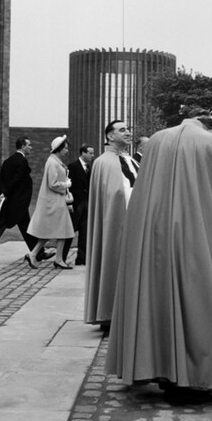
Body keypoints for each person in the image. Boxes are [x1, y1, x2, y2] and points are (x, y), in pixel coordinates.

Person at [104, 112, 212, 400]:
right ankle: (200, 375)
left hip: (156, 233)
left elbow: (141, 197)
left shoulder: (157, 142)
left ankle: (157, 367)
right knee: (203, 300)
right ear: (210, 127)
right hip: (201, 234)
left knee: (157, 298)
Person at [83, 119, 140, 328]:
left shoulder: (131, 161)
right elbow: (113, 195)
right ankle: (109, 313)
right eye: (122, 130)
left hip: (134, 224)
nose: (128, 133)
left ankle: (130, 313)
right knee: (112, 262)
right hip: (115, 225)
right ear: (109, 136)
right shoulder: (104, 162)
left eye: (128, 129)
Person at [0, 136, 55, 265]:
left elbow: (0, 179)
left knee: (21, 228)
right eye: (29, 145)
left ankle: (39, 253)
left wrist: (3, 193)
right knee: (1, 228)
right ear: (22, 146)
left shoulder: (8, 161)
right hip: (16, 203)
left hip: (9, 202)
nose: (31, 147)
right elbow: (17, 180)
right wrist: (7, 194)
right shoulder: (22, 162)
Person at [23, 136, 75, 270]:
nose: (67, 151)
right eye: (65, 148)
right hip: (54, 202)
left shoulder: (54, 161)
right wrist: (66, 184)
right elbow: (53, 183)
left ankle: (35, 254)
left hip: (56, 202)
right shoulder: (52, 162)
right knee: (63, 230)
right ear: (59, 149)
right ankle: (57, 259)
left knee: (54, 231)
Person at [68, 143, 94, 266]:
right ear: (83, 153)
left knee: (84, 232)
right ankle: (61, 256)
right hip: (76, 203)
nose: (92, 155)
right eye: (90, 153)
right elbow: (69, 186)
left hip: (87, 202)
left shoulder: (90, 167)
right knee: (70, 230)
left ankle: (81, 258)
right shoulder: (73, 166)